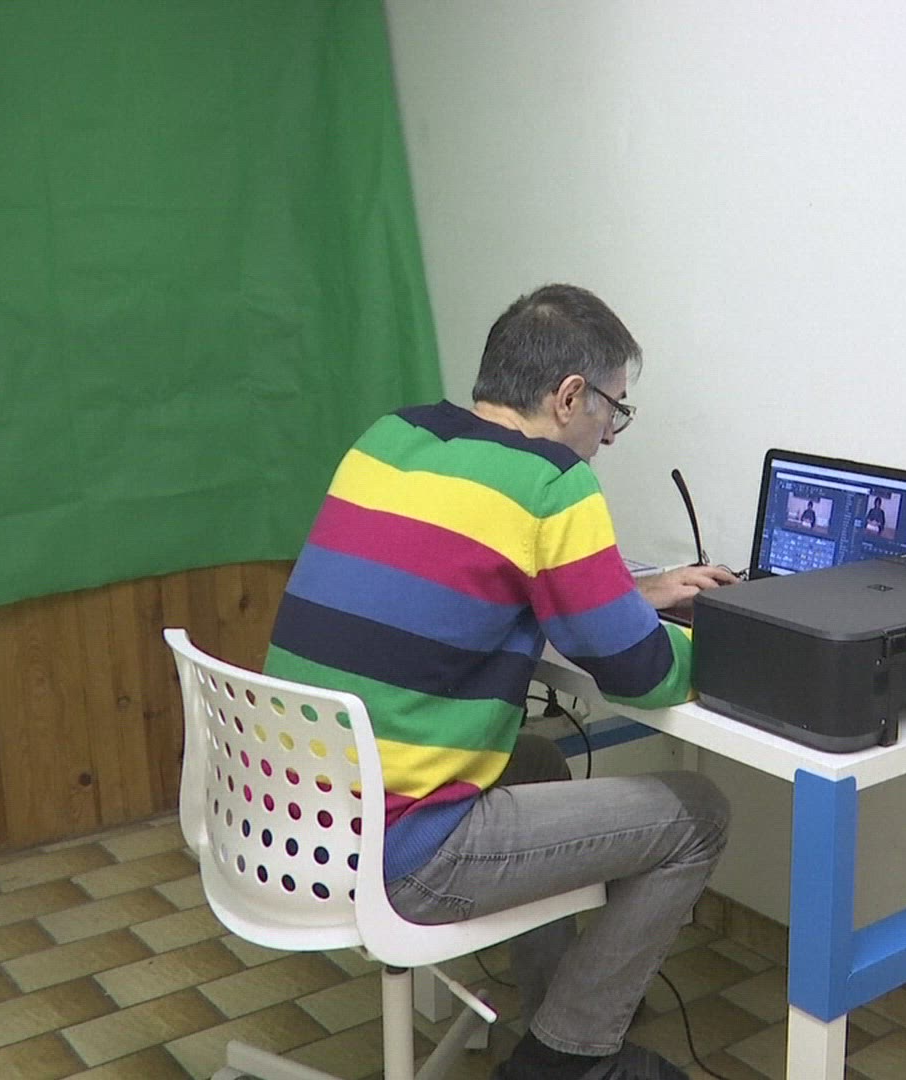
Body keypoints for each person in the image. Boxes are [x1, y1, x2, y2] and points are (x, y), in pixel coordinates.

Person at [265, 284, 737, 1080]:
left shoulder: (391, 437)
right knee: (699, 814)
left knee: (539, 761)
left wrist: (629, 592)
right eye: (613, 411)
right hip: (398, 851)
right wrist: (747, 643)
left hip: (293, 816)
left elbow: (465, 573)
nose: (609, 436)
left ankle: (558, 1012)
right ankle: (566, 1061)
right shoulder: (551, 482)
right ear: (569, 397)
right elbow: (640, 671)